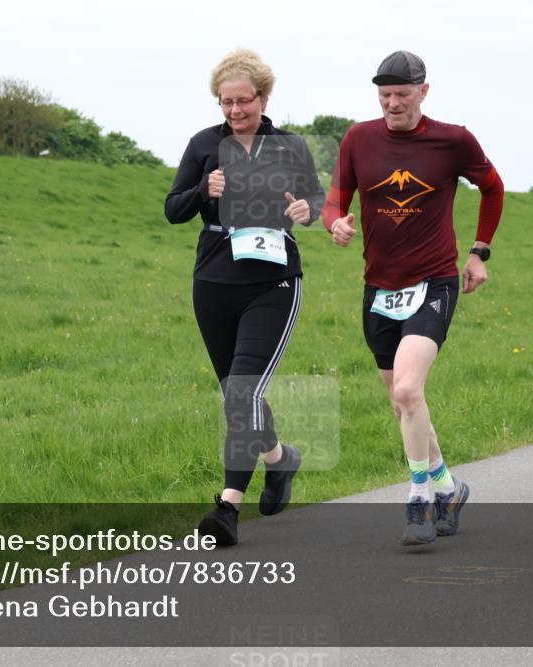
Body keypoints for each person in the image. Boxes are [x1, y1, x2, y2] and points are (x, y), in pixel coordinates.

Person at [324, 50, 504, 545]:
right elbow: (336, 198)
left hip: (433, 284)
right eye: (384, 95)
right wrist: (335, 222)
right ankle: (450, 486)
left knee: (407, 391)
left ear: (424, 91)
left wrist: (479, 251)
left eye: (402, 93)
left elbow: (493, 188)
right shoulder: (359, 138)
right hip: (379, 288)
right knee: (403, 402)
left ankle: (420, 497)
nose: (393, 103)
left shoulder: (453, 140)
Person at [164, 49, 324, 546]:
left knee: (241, 393)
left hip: (273, 283)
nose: (234, 111)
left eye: (243, 102)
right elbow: (173, 209)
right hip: (213, 282)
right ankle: (280, 460)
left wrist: (304, 209)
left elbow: (315, 201)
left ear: (264, 97)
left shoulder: (290, 146)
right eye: (225, 103)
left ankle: (227, 507)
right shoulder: (203, 145)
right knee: (239, 392)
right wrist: (203, 193)